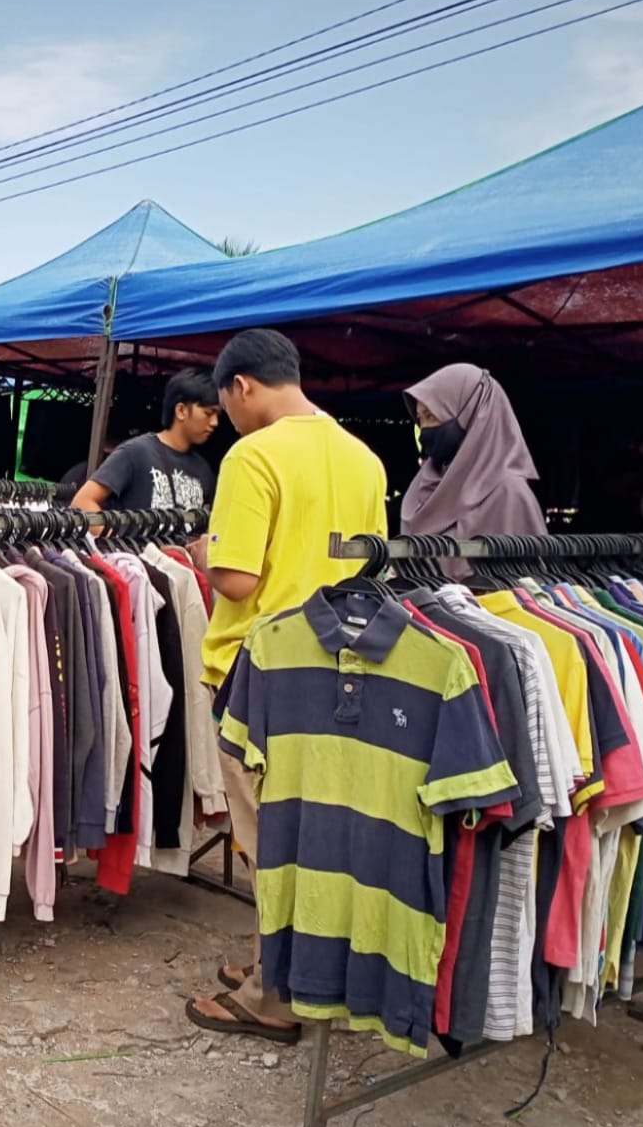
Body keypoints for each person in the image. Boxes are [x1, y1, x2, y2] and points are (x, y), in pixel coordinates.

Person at [186, 329, 388, 1044]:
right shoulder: (363, 458)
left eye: (225, 402)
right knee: (313, 837)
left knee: (265, 837)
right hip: (341, 667)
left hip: (260, 671)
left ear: (242, 387)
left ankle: (274, 997)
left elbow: (239, 578)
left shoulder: (255, 455)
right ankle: (289, 966)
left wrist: (205, 553)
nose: (226, 417)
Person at [400, 363, 546, 539]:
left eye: (431, 416)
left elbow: (526, 564)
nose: (424, 429)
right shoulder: (422, 487)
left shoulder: (509, 495)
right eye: (420, 419)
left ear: (468, 415)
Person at [71, 370, 220, 512]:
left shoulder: (204, 470)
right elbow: (82, 503)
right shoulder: (135, 453)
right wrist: (119, 538)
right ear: (181, 411)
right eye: (208, 413)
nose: (215, 422)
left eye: (218, 415)